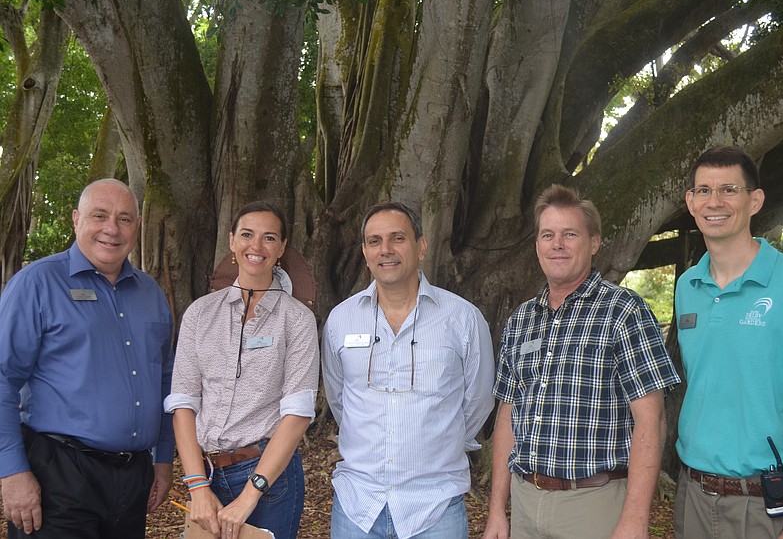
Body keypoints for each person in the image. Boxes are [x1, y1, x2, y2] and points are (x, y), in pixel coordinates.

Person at [483, 184, 681, 539]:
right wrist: (497, 510)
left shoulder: (624, 311)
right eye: (548, 235)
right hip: (526, 501)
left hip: (595, 504)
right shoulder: (521, 320)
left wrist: (635, 519)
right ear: (537, 246)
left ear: (594, 243)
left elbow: (652, 420)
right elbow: (507, 416)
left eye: (570, 234)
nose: (557, 244)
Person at [673, 146, 783, 539]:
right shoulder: (687, 287)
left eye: (729, 189)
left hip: (767, 507)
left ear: (755, 200)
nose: (715, 202)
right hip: (692, 496)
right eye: (703, 190)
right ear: (691, 203)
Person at [0, 179, 175, 539]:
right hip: (59, 476)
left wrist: (163, 458)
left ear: (136, 227)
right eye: (100, 215)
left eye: (125, 219)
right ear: (76, 219)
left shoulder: (150, 292)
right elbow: (3, 379)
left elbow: (167, 381)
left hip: (133, 477)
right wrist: (11, 472)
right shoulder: (37, 284)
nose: (112, 228)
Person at [322, 202, 495, 539]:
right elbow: (339, 399)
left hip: (435, 507)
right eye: (374, 241)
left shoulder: (463, 319)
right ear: (364, 252)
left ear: (421, 247)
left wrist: (438, 443)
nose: (385, 250)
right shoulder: (341, 320)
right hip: (358, 505)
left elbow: (478, 402)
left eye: (397, 238)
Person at [165, 201, 319, 539]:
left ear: (281, 249)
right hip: (206, 475)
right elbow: (183, 404)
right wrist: (197, 488)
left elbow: (297, 414)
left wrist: (251, 495)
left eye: (269, 238)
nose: (256, 246)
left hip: (269, 479)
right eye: (247, 235)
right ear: (232, 241)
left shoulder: (297, 320)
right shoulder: (200, 314)